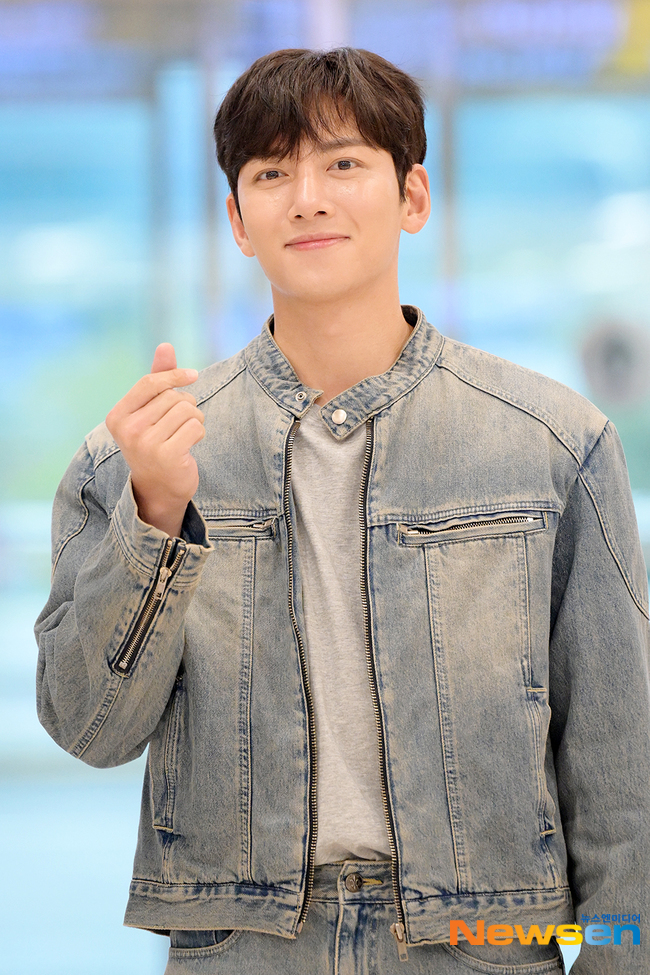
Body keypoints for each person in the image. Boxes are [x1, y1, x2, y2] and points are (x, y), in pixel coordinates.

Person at [36, 48, 650, 975]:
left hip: (484, 945)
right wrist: (156, 515)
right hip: (241, 950)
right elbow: (90, 728)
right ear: (238, 221)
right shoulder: (132, 458)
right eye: (271, 174)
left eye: (344, 163)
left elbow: (623, 786)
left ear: (413, 196)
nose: (308, 199)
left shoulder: (556, 444)